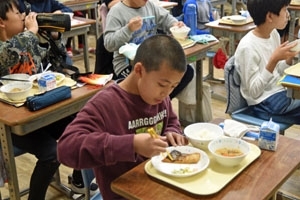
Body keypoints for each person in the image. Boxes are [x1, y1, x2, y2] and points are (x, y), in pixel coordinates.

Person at [57, 34, 189, 199]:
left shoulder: (159, 96)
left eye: (173, 86)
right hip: (123, 194)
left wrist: (172, 131)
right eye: (162, 85)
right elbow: (66, 148)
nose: (166, 93)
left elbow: (171, 121)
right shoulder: (106, 103)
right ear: (139, 70)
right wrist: (131, 144)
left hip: (159, 184)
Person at [0, 1, 70, 199]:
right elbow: (7, 54)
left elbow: (57, 64)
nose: (24, 15)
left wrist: (53, 38)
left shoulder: (26, 43)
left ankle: (81, 180)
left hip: (36, 113)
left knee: (81, 126)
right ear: (2, 22)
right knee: (52, 153)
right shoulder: (15, 44)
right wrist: (30, 33)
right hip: (9, 127)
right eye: (17, 12)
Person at [104, 0, 194, 99]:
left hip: (153, 59)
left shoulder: (150, 6)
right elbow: (109, 44)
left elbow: (167, 19)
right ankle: (150, 104)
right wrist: (128, 29)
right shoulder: (116, 12)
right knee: (152, 81)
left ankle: (158, 103)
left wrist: (176, 25)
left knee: (186, 71)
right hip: (127, 65)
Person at [234, 0, 300, 124]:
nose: (288, 15)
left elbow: (278, 72)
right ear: (270, 16)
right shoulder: (248, 47)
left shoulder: (273, 34)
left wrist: (289, 57)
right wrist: (273, 60)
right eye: (285, 10)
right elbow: (254, 92)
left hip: (278, 94)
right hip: (263, 104)